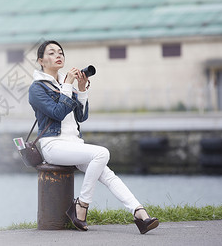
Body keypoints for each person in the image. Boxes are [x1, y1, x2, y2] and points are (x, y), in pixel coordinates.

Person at [28, 40, 159, 234]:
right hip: (54, 146)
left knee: (107, 175)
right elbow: (57, 113)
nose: (58, 55)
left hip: (74, 145)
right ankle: (81, 206)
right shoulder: (37, 88)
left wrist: (81, 90)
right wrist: (67, 86)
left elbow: (81, 116)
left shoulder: (66, 83)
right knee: (101, 153)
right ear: (40, 60)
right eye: (51, 53)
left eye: (60, 52)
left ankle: (140, 213)